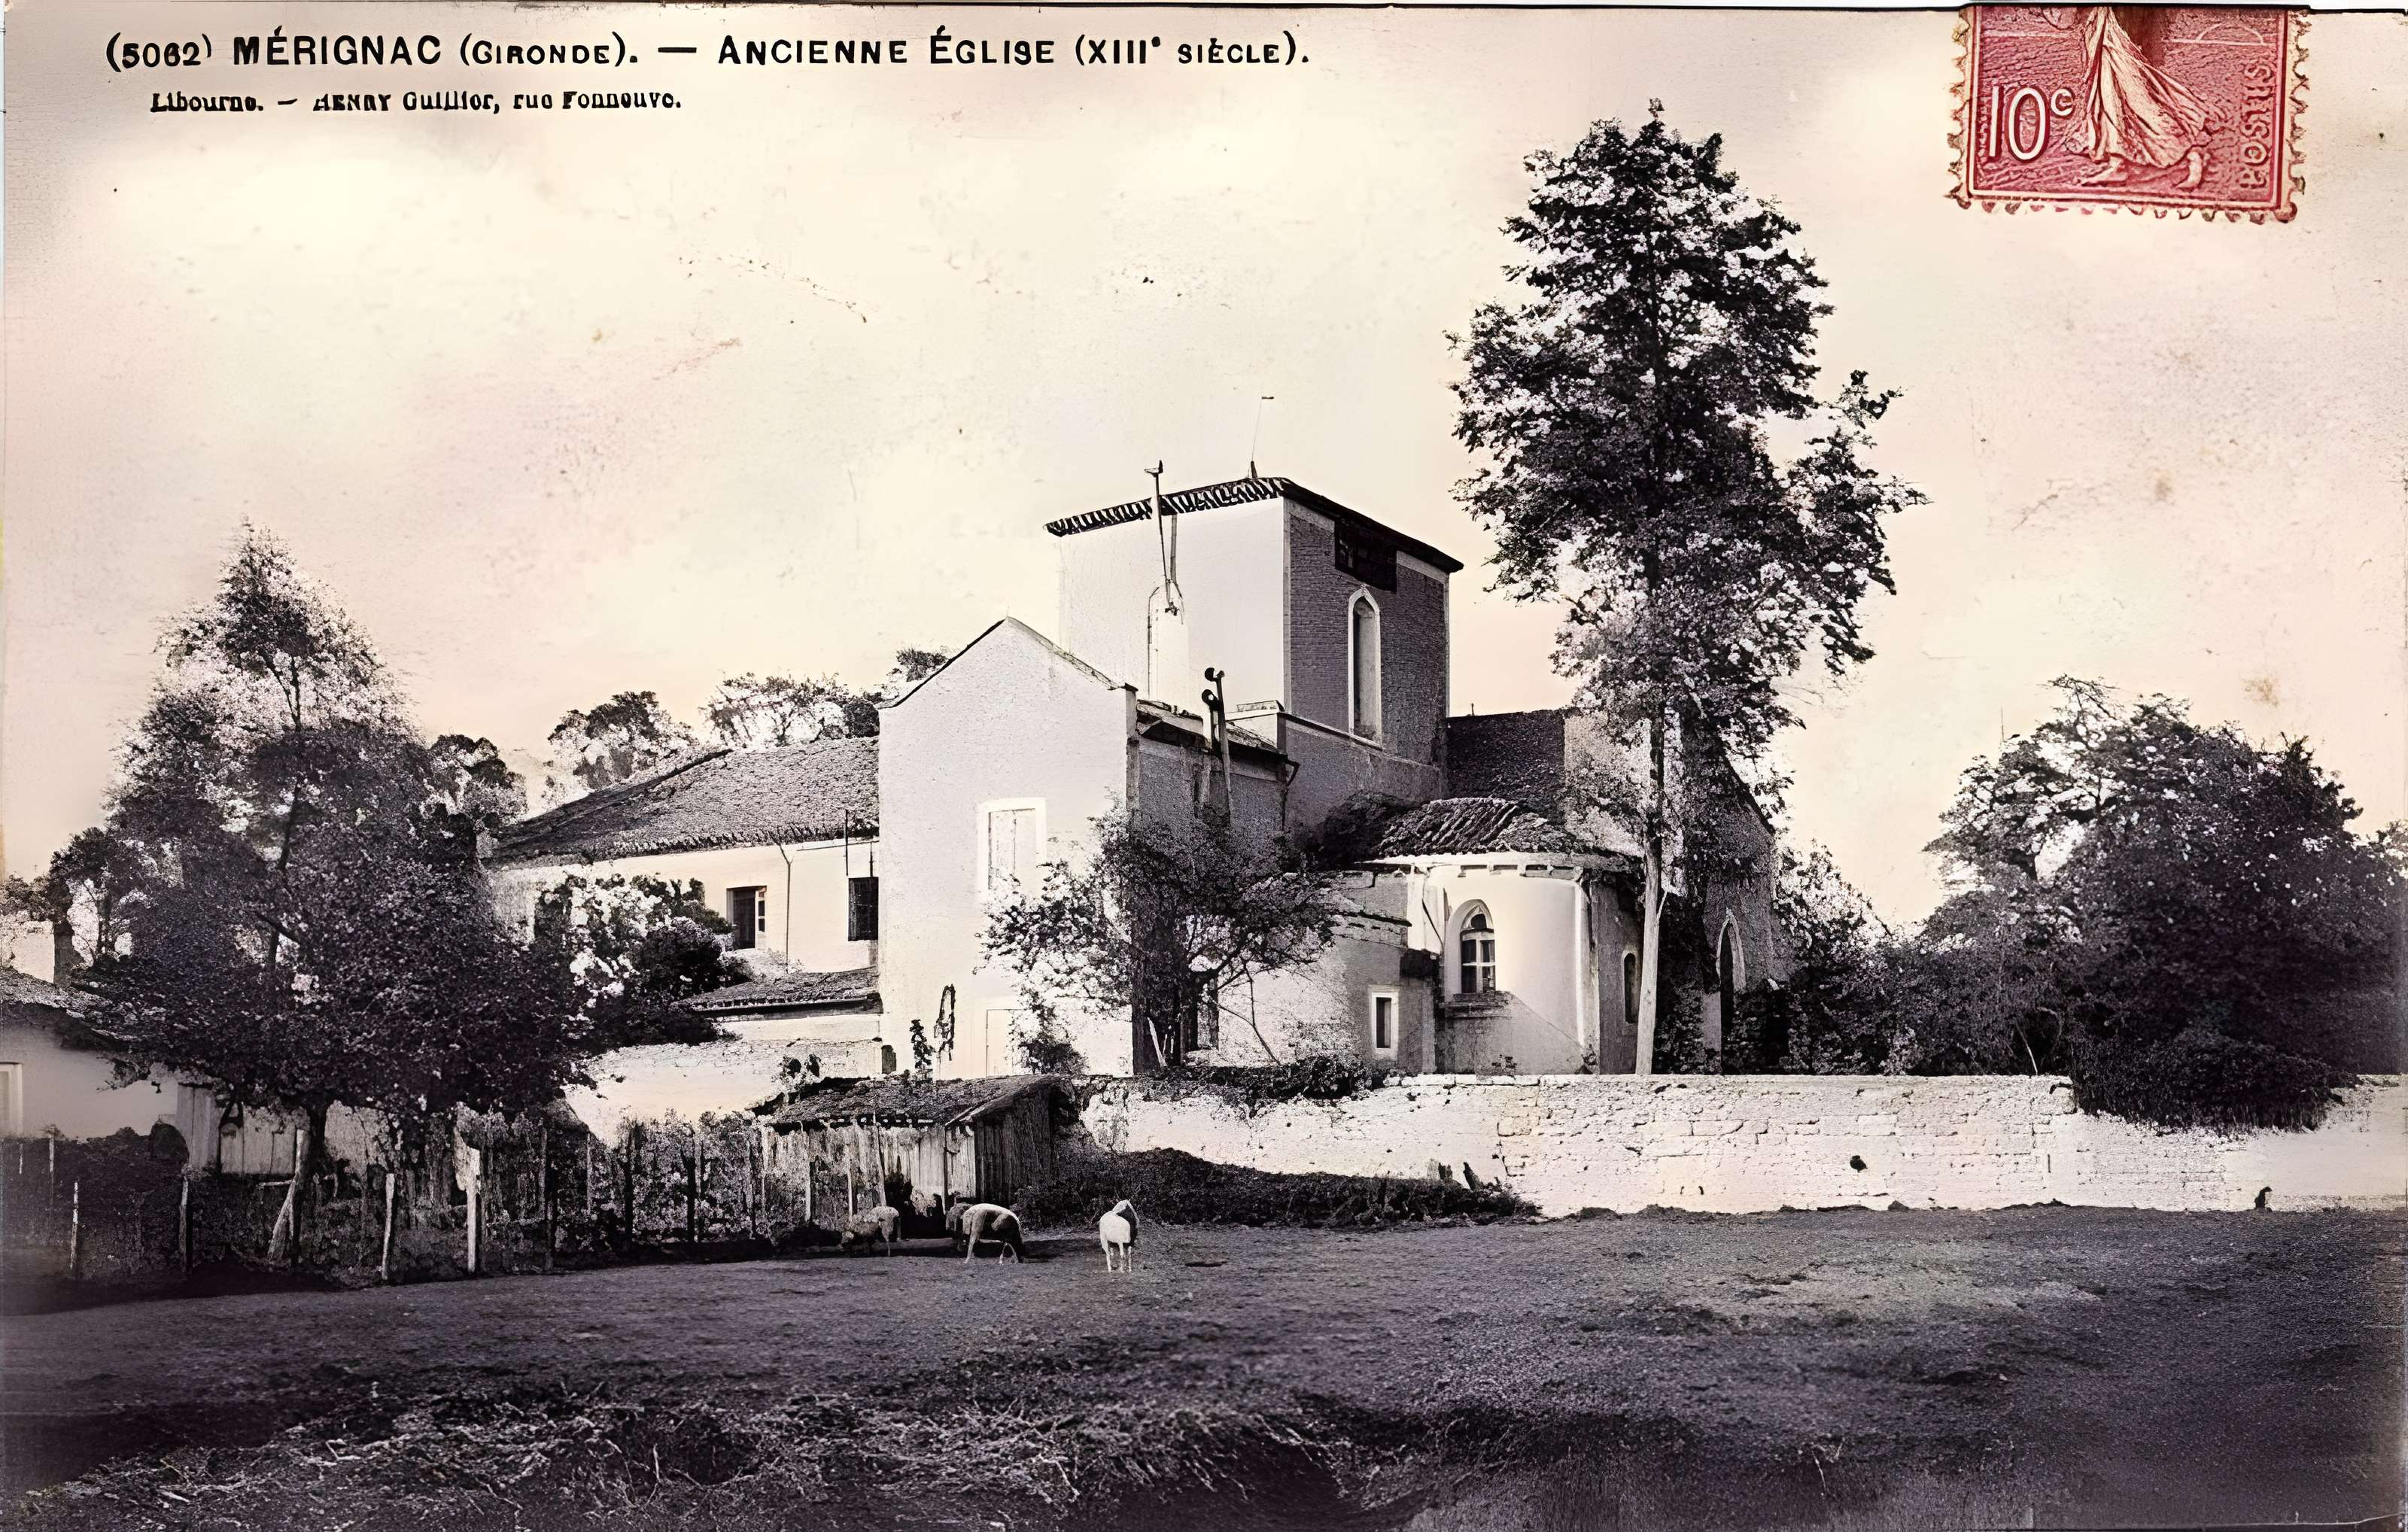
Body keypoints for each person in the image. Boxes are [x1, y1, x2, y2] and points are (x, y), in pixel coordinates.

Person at [2048, 7, 2216, 190]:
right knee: (2114, 92)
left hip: (2120, 22)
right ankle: (2118, 162)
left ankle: (2192, 153)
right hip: (2110, 21)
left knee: (2136, 97)